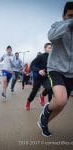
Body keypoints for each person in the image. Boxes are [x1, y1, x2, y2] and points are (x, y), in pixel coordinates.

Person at [38, 2, 73, 137]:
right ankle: (46, 109)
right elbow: (51, 37)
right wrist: (67, 24)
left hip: (71, 72)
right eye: (70, 16)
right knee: (60, 100)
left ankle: (44, 122)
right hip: (56, 68)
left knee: (61, 106)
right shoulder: (57, 25)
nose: (72, 18)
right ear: (64, 16)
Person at [24, 43, 52, 110]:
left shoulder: (53, 58)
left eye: (52, 48)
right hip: (38, 77)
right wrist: (39, 70)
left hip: (46, 76)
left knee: (50, 88)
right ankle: (28, 101)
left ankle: (42, 96)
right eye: (49, 48)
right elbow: (32, 65)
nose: (51, 49)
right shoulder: (40, 56)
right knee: (34, 91)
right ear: (45, 49)